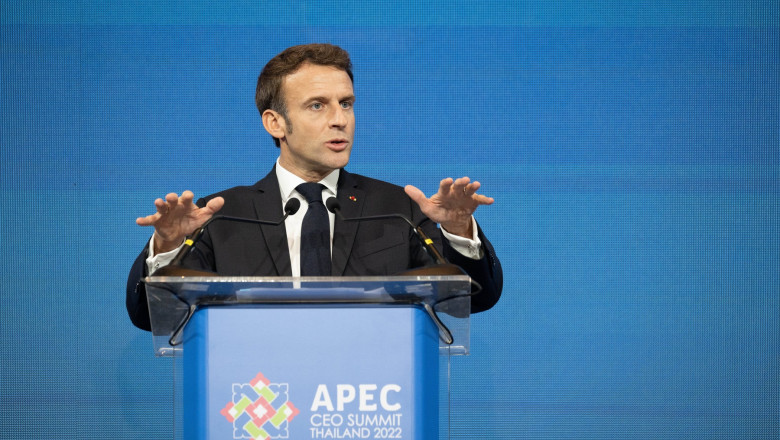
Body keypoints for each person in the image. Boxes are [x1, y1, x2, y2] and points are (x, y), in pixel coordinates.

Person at [126, 43, 502, 331]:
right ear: (275, 123)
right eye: (318, 106)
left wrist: (455, 232)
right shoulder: (221, 216)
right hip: (261, 407)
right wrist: (169, 248)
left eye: (347, 103)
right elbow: (150, 317)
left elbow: (467, 301)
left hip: (372, 405)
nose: (340, 120)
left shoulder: (399, 209)